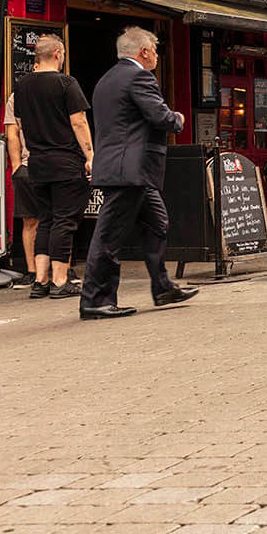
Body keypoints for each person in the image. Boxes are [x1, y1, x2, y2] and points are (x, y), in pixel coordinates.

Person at [80, 27, 197, 319]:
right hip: (129, 171)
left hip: (128, 170)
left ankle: (162, 287)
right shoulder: (140, 76)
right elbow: (160, 117)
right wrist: (178, 118)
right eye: (155, 50)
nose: (157, 56)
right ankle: (95, 300)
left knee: (158, 222)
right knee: (108, 237)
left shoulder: (107, 79)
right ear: (143, 51)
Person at [11, 35, 94, 300]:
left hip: (37, 162)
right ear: (58, 54)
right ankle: (60, 280)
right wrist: (90, 155)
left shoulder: (22, 86)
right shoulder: (66, 83)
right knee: (64, 220)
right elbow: (79, 121)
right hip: (66, 162)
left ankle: (41, 280)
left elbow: (21, 125)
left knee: (45, 219)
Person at [2, 94, 37, 289]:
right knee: (30, 220)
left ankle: (63, 268)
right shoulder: (18, 96)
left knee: (61, 219)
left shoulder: (64, 87)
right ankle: (32, 271)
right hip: (27, 164)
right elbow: (12, 131)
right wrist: (16, 166)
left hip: (56, 163)